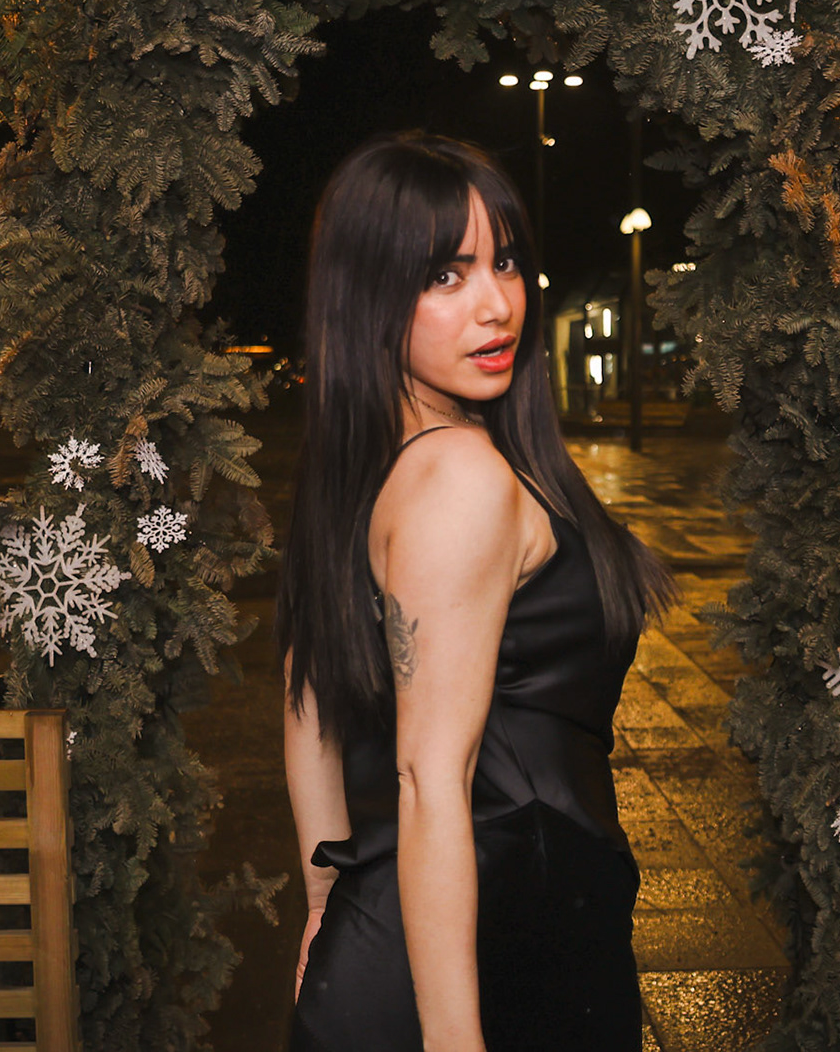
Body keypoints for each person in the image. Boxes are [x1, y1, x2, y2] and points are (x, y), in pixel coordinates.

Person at [279, 131, 674, 1051]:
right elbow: (428, 779)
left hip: (437, 938)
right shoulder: (458, 475)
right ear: (367, 294)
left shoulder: (362, 470)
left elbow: (307, 710)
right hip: (486, 957)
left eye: (506, 262)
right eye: (445, 276)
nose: (497, 305)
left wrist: (324, 910)